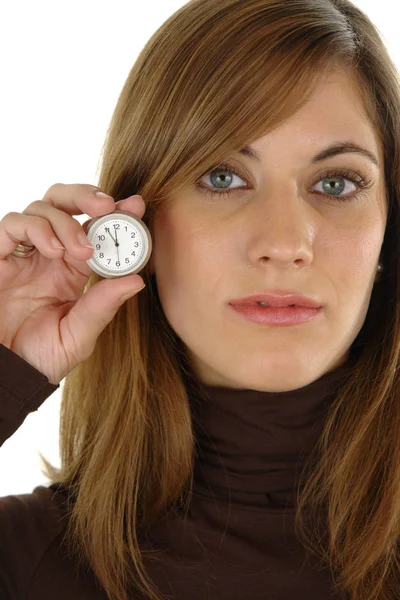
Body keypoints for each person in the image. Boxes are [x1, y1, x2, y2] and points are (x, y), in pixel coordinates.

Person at [0, 0, 398, 598]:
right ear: (141, 232)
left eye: (336, 183)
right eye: (222, 177)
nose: (285, 243)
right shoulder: (22, 562)